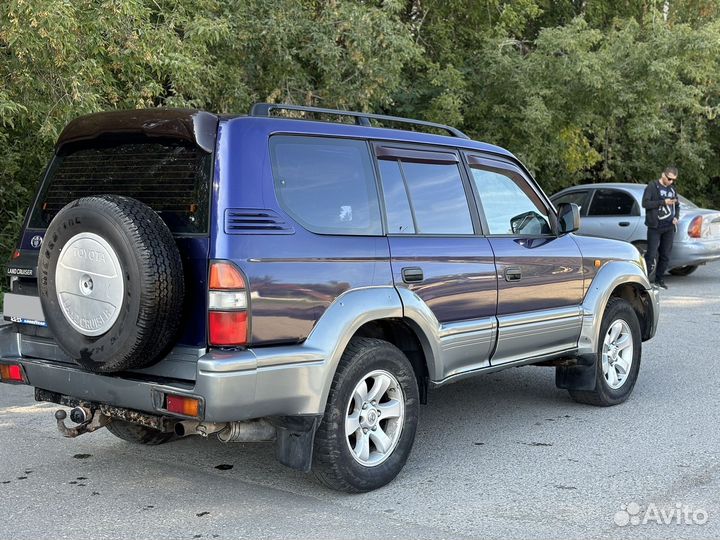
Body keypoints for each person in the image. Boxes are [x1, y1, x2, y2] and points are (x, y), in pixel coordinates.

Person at [642, 166, 679, 289]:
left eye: (673, 180)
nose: (671, 182)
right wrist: (663, 202)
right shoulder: (652, 186)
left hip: (669, 227)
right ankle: (644, 281)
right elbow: (645, 203)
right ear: (663, 175)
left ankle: (659, 279)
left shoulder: (672, 189)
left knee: (665, 255)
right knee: (651, 255)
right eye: (669, 179)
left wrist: (676, 217)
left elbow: (677, 205)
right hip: (655, 227)